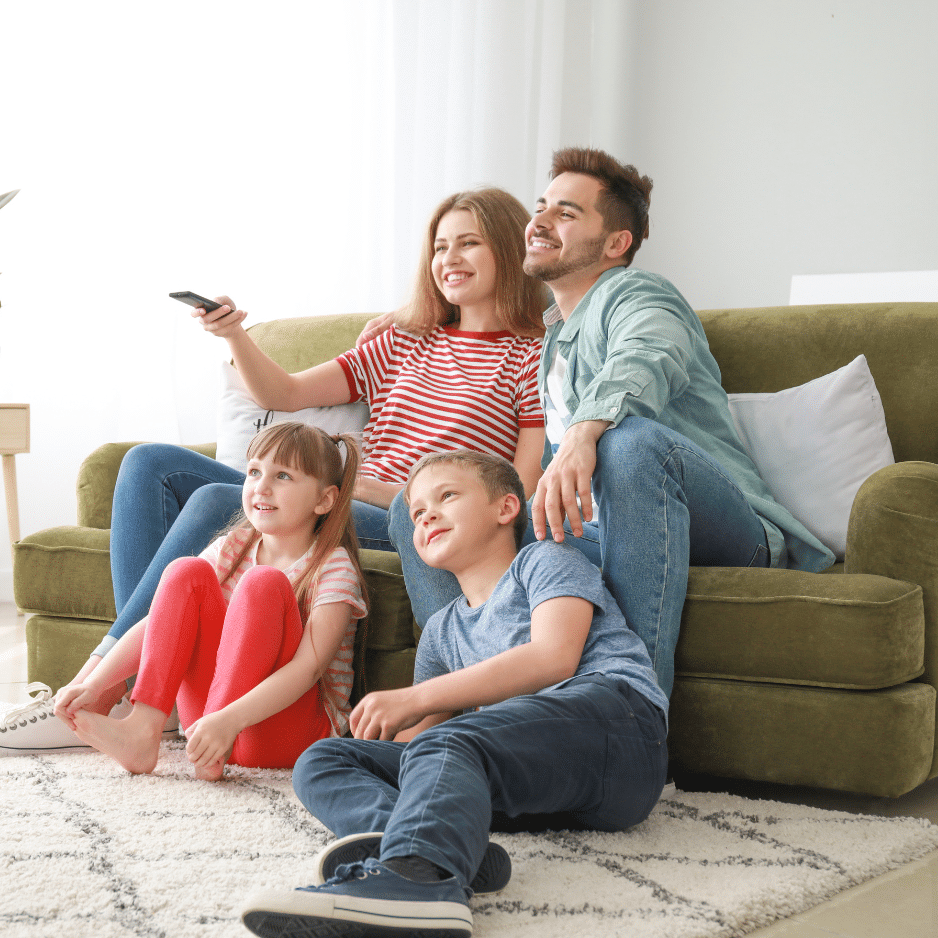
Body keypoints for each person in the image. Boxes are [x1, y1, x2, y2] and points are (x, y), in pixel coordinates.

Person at [0, 186, 548, 756]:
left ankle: (96, 695)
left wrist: (379, 489)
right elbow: (283, 394)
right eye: (440, 246)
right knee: (148, 465)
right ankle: (120, 688)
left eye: (469, 243)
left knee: (219, 500)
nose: (449, 259)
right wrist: (235, 333)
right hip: (340, 491)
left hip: (403, 513)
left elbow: (519, 487)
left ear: (508, 250)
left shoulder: (531, 355)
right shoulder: (401, 340)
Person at [386, 147, 835, 700]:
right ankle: (469, 706)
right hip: (598, 533)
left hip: (717, 526)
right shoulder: (553, 340)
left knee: (629, 445)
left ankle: (631, 714)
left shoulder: (639, 294)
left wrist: (583, 432)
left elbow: (648, 354)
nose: (541, 222)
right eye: (542, 207)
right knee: (420, 515)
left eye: (567, 213)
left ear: (616, 243)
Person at [239, 450, 669, 938]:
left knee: (452, 741)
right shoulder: (443, 631)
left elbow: (554, 657)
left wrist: (414, 699)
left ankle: (414, 882)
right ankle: (431, 846)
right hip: (533, 788)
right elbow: (418, 752)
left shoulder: (544, 562)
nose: (427, 516)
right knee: (324, 759)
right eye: (418, 512)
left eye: (446, 497)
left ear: (505, 509)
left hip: (621, 735)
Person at [52, 422, 367, 778]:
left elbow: (308, 669)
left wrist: (227, 720)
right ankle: (143, 728)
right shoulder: (234, 545)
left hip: (284, 733)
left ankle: (215, 740)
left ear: (324, 499)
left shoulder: (334, 565)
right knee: (185, 572)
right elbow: (157, 623)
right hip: (209, 730)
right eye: (253, 472)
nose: (261, 487)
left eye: (282, 477)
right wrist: (93, 684)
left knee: (263, 583)